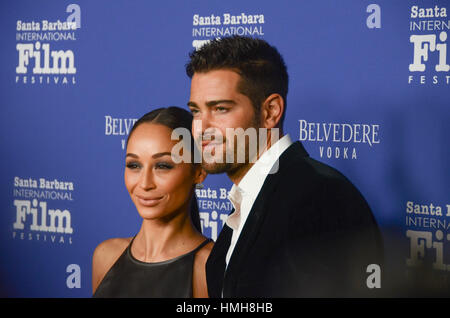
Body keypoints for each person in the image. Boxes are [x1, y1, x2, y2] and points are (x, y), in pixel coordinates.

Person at [185, 36, 384, 297]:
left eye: (220, 109)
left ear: (270, 111)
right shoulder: (253, 198)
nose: (201, 128)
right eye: (196, 111)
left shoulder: (319, 196)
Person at [92, 107, 213, 298]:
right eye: (134, 165)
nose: (145, 183)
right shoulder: (105, 256)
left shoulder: (211, 268)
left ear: (199, 172)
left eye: (163, 166)